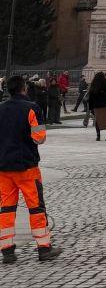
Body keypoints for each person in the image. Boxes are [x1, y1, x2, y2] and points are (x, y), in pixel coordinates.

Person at [0, 75, 59, 264]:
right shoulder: (32, 108)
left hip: (3, 168)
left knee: (6, 209)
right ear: (24, 88)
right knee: (35, 207)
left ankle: (7, 250)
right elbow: (39, 137)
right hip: (27, 167)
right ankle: (44, 248)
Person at [88, 70, 106, 142]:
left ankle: (98, 136)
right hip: (105, 105)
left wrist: (91, 108)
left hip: (96, 106)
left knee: (98, 120)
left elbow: (90, 99)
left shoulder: (93, 86)